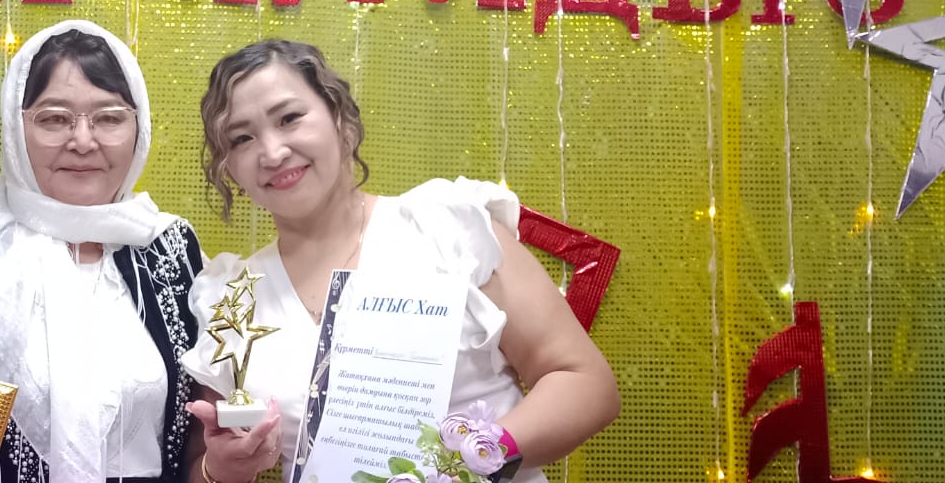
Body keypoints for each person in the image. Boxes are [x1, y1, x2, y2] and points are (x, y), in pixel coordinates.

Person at [182, 40, 619, 483]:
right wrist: (222, 467)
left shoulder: (444, 229)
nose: (273, 152)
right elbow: (202, 464)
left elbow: (584, 383)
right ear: (229, 167)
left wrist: (465, 462)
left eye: (289, 118)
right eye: (242, 138)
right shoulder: (232, 297)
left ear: (339, 116)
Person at [0, 20, 207, 483]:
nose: (83, 141)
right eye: (54, 118)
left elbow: (198, 436)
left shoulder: (170, 248)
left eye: (109, 118)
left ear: (138, 127)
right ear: (15, 128)